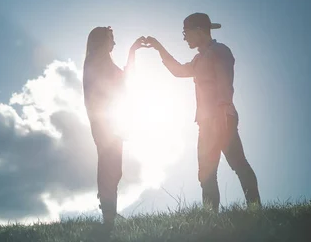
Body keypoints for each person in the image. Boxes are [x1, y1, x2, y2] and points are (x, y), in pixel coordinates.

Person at [145, 13, 261, 211]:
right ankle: (210, 217)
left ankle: (255, 209)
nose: (184, 38)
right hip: (205, 122)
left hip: (221, 117)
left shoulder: (219, 50)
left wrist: (224, 114)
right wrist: (158, 47)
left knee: (238, 164)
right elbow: (178, 71)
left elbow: (225, 83)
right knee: (206, 172)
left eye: (186, 33)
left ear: (199, 31)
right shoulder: (198, 59)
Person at [82, 26, 147, 228]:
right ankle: (108, 218)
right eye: (111, 39)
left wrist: (132, 52)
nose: (114, 43)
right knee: (110, 168)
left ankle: (109, 215)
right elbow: (124, 80)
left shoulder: (100, 62)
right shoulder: (96, 63)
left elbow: (124, 79)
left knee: (113, 169)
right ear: (101, 41)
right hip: (105, 124)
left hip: (109, 123)